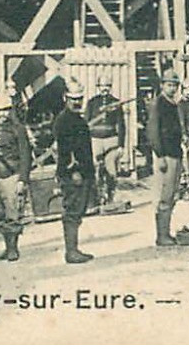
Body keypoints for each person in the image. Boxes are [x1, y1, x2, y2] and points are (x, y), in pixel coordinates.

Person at [0, 75, 33, 263]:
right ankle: (6, 246)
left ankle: (13, 249)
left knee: (13, 212)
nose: (1, 115)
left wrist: (22, 180)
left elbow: (26, 155)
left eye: (5, 111)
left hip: (12, 175)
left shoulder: (18, 130)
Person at [54, 79, 96, 264]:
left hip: (83, 172)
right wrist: (74, 171)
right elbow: (65, 150)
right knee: (72, 211)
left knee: (78, 210)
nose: (77, 102)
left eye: (79, 98)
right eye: (73, 99)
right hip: (74, 173)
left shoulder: (77, 119)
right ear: (65, 98)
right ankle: (71, 252)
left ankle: (74, 249)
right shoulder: (64, 120)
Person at [146, 67, 184, 247]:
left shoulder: (173, 104)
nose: (172, 88)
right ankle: (162, 235)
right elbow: (153, 132)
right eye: (169, 85)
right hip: (166, 155)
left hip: (175, 153)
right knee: (164, 195)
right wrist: (159, 155)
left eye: (175, 85)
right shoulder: (158, 104)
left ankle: (166, 232)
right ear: (162, 85)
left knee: (172, 194)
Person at [85, 80, 125, 201]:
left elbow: (121, 124)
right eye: (103, 85)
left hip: (111, 140)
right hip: (95, 140)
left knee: (111, 169)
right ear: (98, 87)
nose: (105, 88)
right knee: (95, 169)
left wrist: (121, 144)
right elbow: (86, 123)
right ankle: (97, 197)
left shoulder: (115, 103)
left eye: (107, 85)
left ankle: (111, 197)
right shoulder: (92, 103)